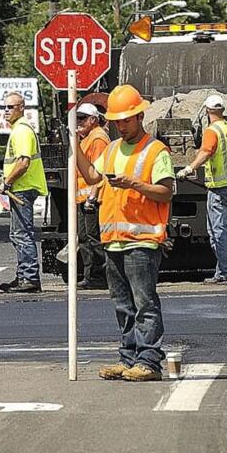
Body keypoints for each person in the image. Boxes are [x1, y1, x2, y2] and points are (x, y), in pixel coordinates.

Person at [75, 84, 174, 383]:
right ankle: (128, 356)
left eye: (126, 119)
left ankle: (148, 360)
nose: (121, 125)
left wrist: (135, 184)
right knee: (123, 304)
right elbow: (93, 176)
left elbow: (166, 192)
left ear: (139, 116)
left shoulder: (155, 151)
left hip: (142, 241)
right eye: (117, 120)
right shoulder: (113, 149)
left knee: (144, 303)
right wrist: (75, 147)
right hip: (113, 240)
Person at [177, 95, 227, 284]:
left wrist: (189, 168)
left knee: (218, 231)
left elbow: (207, 152)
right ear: (222, 110)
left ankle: (223, 273)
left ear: (207, 111)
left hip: (221, 189)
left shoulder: (212, 130)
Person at [0, 91, 47, 293]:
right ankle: (23, 276)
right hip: (20, 189)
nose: (6, 111)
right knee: (17, 234)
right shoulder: (18, 130)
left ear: (21, 108)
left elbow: (23, 162)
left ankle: (29, 277)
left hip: (22, 189)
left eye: (11, 107)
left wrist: (7, 183)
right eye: (5, 107)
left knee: (22, 234)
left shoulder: (22, 131)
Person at [74, 102, 111, 290]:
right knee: (85, 237)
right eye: (76, 118)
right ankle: (91, 275)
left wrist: (92, 197)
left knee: (93, 237)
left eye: (81, 118)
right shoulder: (88, 137)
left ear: (93, 120)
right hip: (84, 197)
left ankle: (99, 276)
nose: (77, 122)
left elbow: (98, 172)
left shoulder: (97, 139)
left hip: (92, 198)